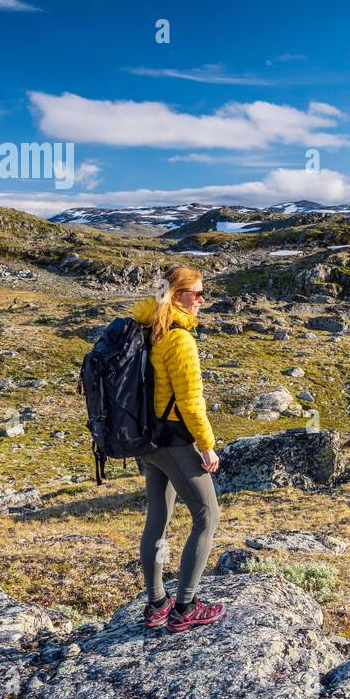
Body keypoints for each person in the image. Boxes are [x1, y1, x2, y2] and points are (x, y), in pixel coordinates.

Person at [132, 266, 225, 632]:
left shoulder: (149, 325)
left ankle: (156, 603)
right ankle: (185, 606)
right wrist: (207, 446)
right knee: (208, 516)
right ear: (176, 294)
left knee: (158, 518)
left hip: (149, 440)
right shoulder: (180, 339)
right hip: (174, 439)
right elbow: (190, 401)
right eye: (197, 293)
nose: (202, 300)